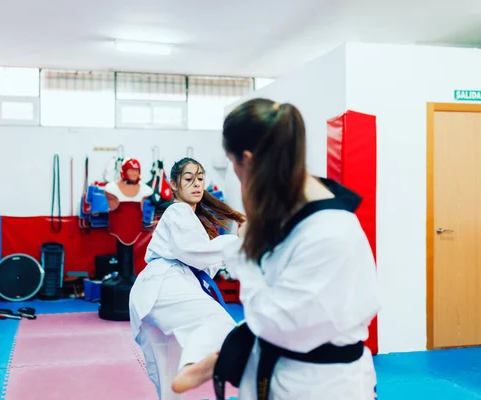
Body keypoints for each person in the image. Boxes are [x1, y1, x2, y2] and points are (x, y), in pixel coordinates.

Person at [171, 99, 380, 399]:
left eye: (234, 165)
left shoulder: (329, 231)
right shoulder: (291, 213)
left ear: (249, 160)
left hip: (318, 386)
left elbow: (275, 323)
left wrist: (242, 253)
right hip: (285, 373)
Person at [129, 157, 246, 400]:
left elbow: (206, 262)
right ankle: (203, 366)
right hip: (165, 284)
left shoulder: (193, 219)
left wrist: (237, 252)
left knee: (169, 378)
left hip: (153, 293)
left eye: (200, 178)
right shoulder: (177, 210)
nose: (196, 184)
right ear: (174, 185)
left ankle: (193, 371)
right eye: (189, 178)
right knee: (218, 322)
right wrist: (238, 244)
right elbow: (191, 252)